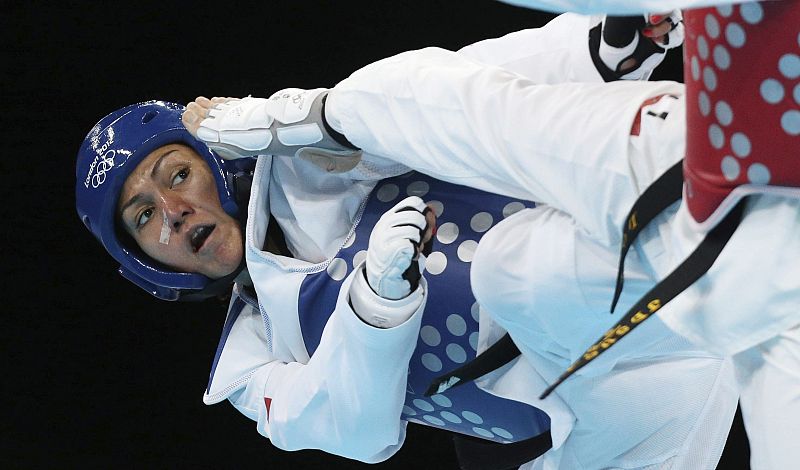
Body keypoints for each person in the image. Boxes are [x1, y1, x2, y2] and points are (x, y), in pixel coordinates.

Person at [77, 12, 736, 470]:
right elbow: (358, 434)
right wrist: (373, 307)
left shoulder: (312, 160)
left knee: (495, 248)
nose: (174, 210)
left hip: (609, 286)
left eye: (179, 175)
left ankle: (724, 210)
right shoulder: (248, 366)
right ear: (143, 263)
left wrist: (594, 49)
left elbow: (464, 82)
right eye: (142, 216)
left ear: (217, 161)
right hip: (612, 423)